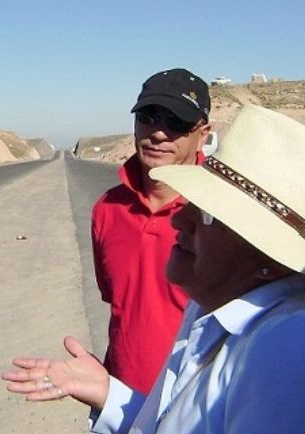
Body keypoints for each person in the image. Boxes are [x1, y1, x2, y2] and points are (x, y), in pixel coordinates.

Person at [3, 105, 305, 434]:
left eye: (206, 213)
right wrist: (108, 393)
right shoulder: (218, 311)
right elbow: (186, 433)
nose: (179, 218)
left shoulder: (299, 353)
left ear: (271, 257)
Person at [91, 68, 211, 403]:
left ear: (202, 134)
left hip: (194, 411)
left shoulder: (222, 217)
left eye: (176, 122)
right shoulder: (106, 208)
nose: (158, 133)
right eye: (149, 117)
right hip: (117, 402)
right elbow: (120, 302)